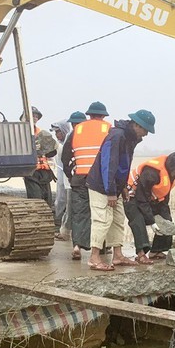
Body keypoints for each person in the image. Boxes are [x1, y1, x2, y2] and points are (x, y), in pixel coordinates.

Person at [86, 109, 155, 270]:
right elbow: (108, 164)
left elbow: (123, 165)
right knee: (102, 220)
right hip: (101, 186)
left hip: (114, 187)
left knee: (117, 220)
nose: (145, 134)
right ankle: (94, 257)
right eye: (145, 130)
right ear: (137, 125)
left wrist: (122, 186)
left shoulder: (130, 138)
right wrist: (110, 191)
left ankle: (117, 255)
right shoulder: (117, 136)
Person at [61, 103, 112, 260]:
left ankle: (77, 246)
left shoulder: (78, 129)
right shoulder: (109, 128)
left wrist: (71, 175)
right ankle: (101, 247)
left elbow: (65, 156)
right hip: (99, 180)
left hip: (80, 177)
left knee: (80, 213)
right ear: (103, 116)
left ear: (89, 115)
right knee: (100, 213)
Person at [124, 152, 175, 264]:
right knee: (138, 220)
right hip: (131, 196)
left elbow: (164, 200)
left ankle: (156, 250)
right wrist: (151, 221)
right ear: (171, 167)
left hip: (148, 199)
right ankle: (141, 254)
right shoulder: (151, 173)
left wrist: (166, 219)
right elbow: (141, 199)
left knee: (166, 219)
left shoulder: (171, 176)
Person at [22, 106, 56, 206]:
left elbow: (52, 152)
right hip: (31, 171)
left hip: (44, 172)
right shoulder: (21, 133)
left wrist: (48, 145)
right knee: (36, 200)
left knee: (47, 200)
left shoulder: (42, 134)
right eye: (33, 115)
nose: (35, 118)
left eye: (36, 116)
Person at [50, 119, 73, 240]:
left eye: (57, 132)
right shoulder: (60, 145)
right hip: (62, 178)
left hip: (68, 180)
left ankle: (64, 229)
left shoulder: (67, 144)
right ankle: (60, 226)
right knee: (60, 201)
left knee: (67, 204)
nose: (56, 135)